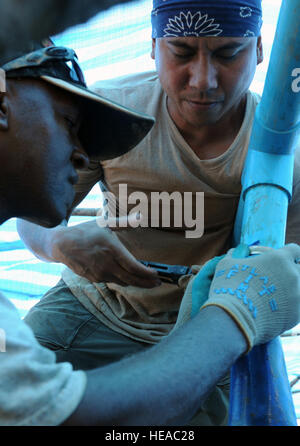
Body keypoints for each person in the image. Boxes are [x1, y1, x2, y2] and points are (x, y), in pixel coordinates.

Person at [16, 0, 300, 425]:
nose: (203, 81)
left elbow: (289, 264)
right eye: (182, 52)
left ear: (259, 50)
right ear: (153, 46)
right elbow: (32, 214)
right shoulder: (110, 114)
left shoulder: (282, 151)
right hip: (92, 310)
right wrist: (58, 242)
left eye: (228, 53)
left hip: (208, 327)